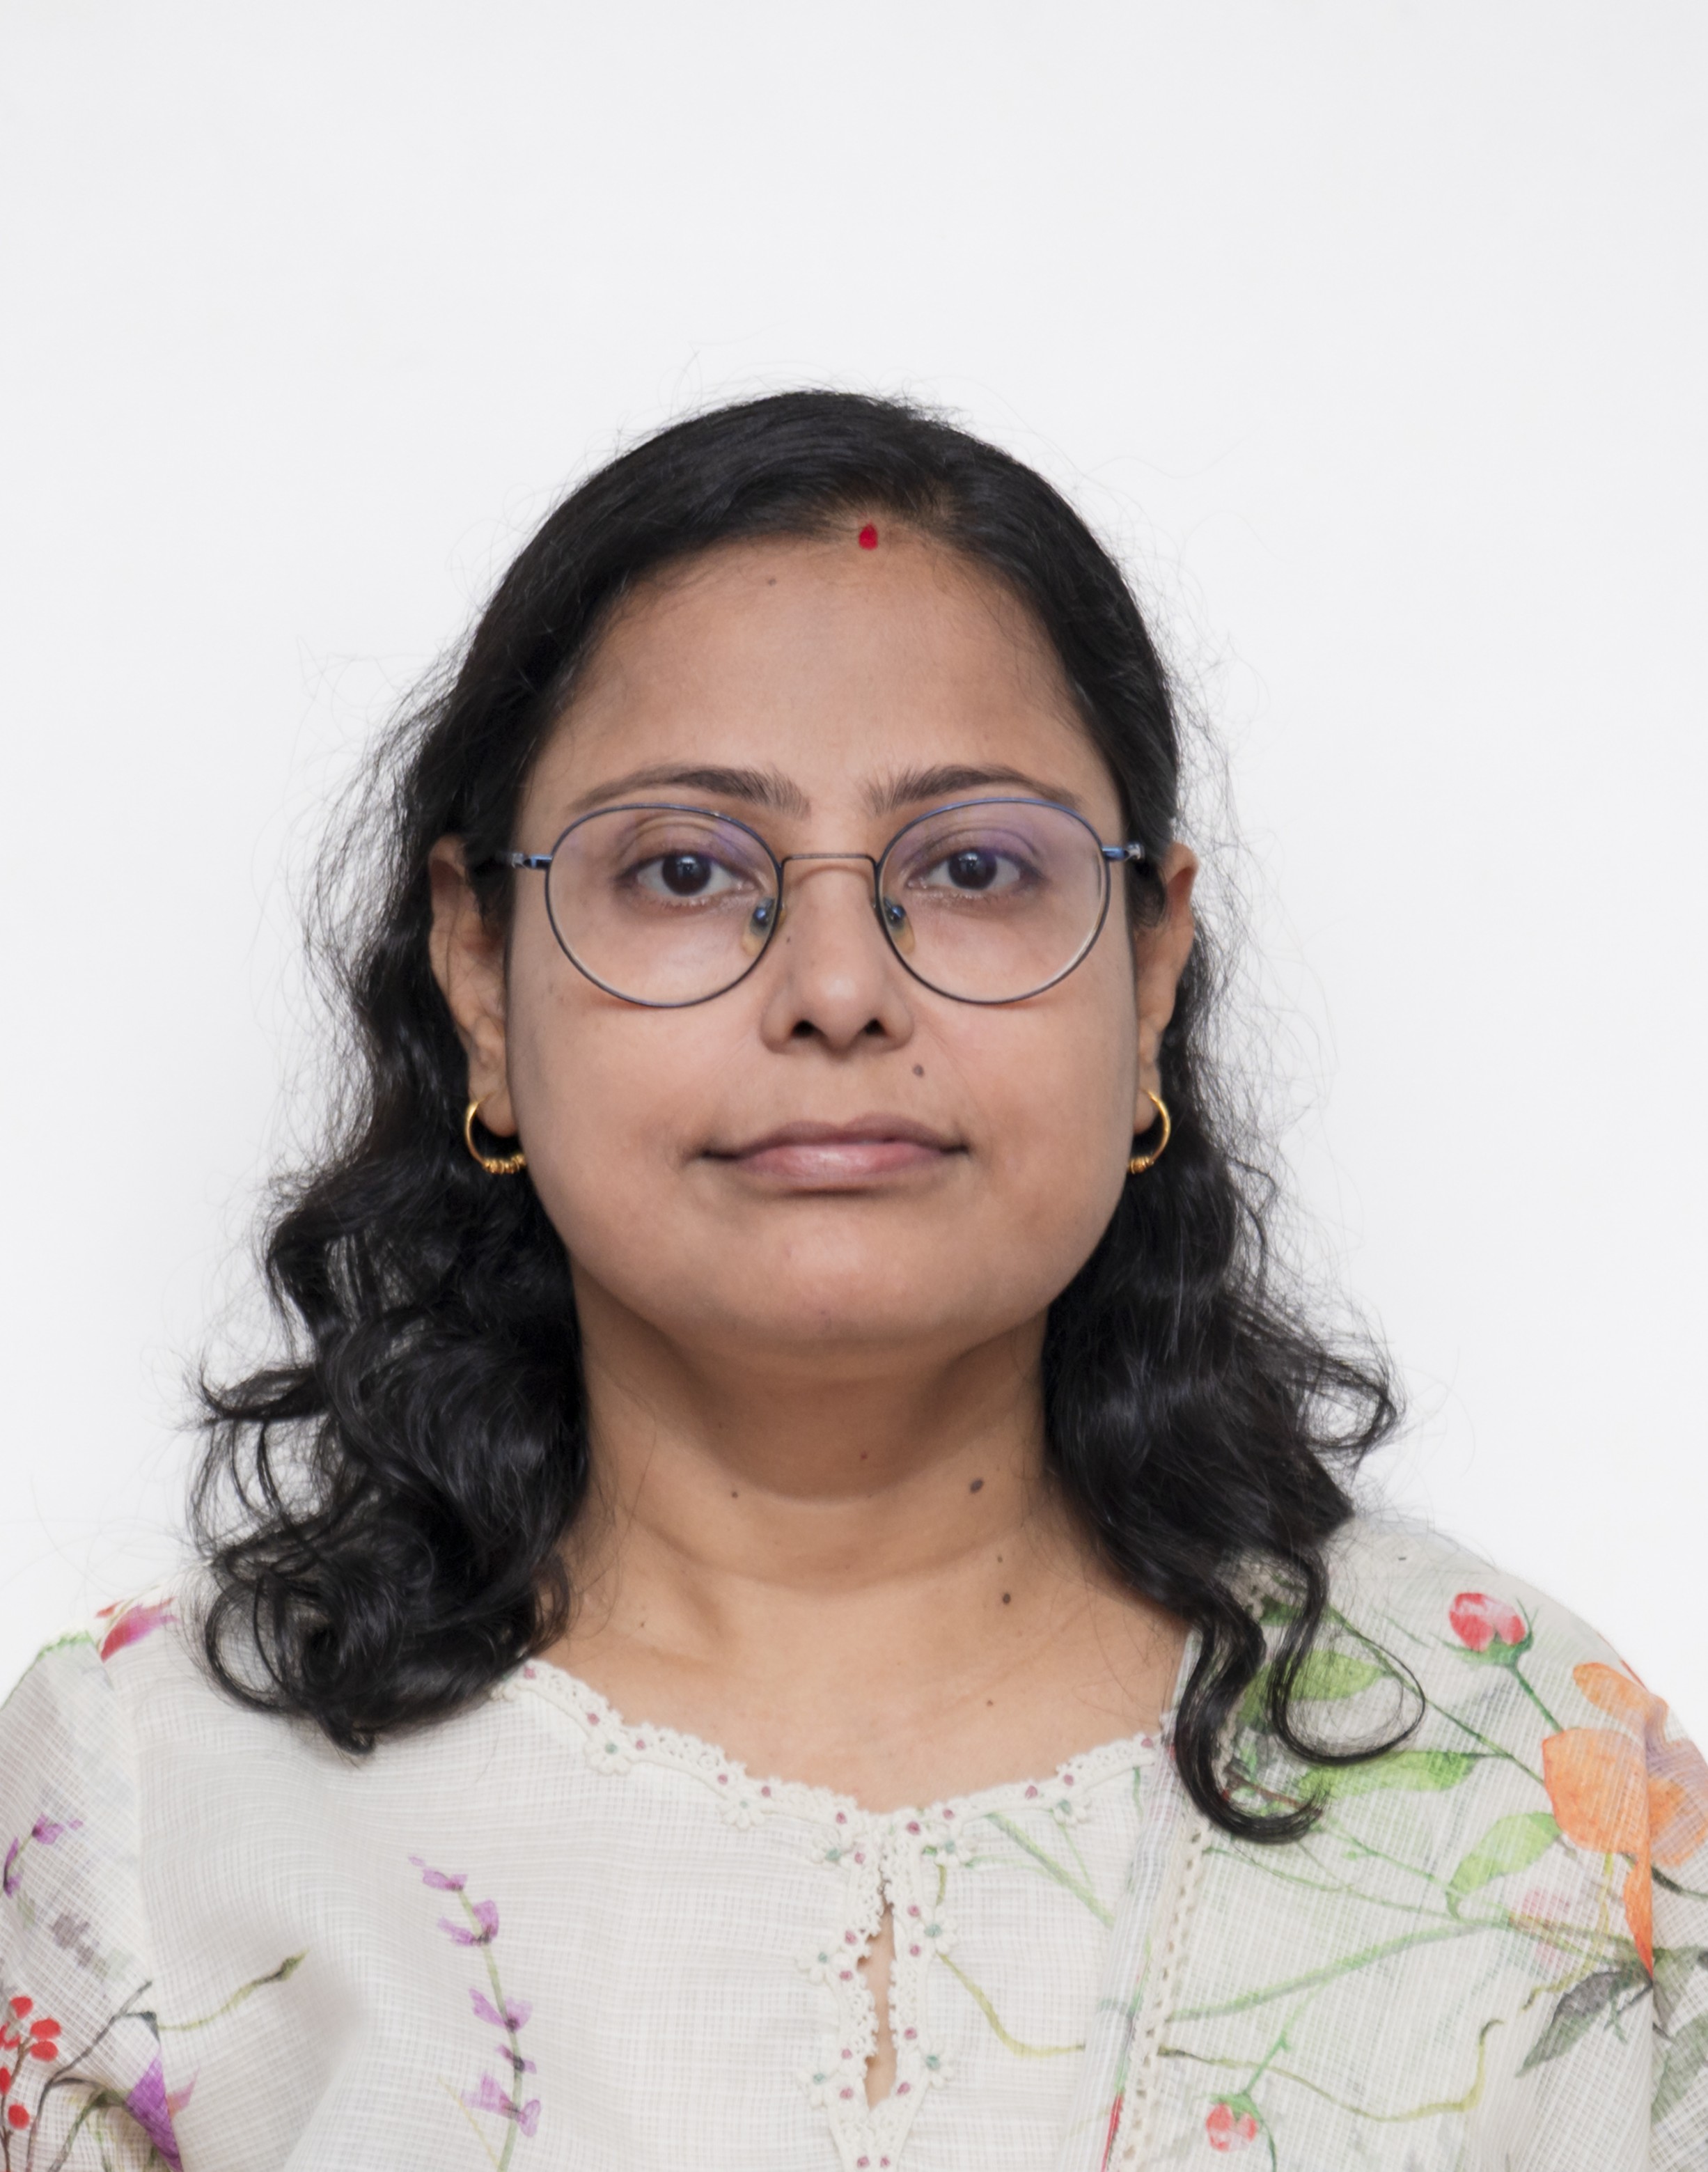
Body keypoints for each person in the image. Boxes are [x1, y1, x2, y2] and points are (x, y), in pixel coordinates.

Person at [0, 393, 1701, 2172]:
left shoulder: (1525, 1797)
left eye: (972, 868)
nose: (835, 989)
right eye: (683, 870)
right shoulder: (154, 1823)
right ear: (482, 978)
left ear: (1149, 974)